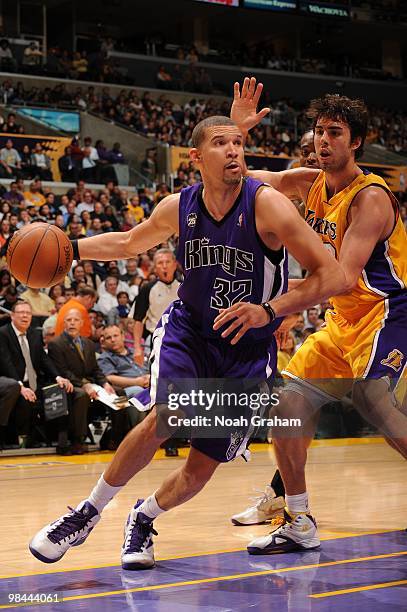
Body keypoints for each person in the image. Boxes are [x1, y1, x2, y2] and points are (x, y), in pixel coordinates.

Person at [29, 115, 345, 570]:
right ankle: (87, 513)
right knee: (168, 411)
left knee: (200, 469)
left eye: (238, 142)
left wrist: (271, 310)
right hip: (190, 332)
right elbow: (126, 243)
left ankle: (143, 516)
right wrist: (70, 249)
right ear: (196, 158)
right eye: (221, 143)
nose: (235, 150)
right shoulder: (179, 206)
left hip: (247, 349)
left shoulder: (268, 205)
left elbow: (331, 274)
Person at [230, 77, 407, 554]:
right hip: (343, 321)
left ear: (357, 143)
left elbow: (343, 278)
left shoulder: (370, 197)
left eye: (335, 133)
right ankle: (297, 517)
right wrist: (237, 130)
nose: (323, 141)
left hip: (390, 312)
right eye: (320, 132)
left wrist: (273, 307)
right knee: (287, 407)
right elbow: (240, 177)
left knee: (374, 400)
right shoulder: (309, 183)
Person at [0, 301, 72, 448]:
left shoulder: (35, 333)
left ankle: (61, 440)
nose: (25, 316)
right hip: (12, 382)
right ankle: (19, 439)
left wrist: (58, 377)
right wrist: (21, 386)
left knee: (63, 389)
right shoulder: (3, 333)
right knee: (25, 398)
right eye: (21, 313)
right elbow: (5, 363)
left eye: (28, 313)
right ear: (12, 315)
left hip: (35, 382)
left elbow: (44, 359)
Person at [48, 308, 116, 453]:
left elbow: (96, 369)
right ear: (64, 323)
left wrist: (105, 383)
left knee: (118, 392)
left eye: (76, 320)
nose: (72, 323)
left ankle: (116, 437)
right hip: (69, 385)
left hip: (91, 384)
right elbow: (63, 371)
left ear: (82, 323)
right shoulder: (56, 343)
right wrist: (85, 385)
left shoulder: (89, 344)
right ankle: (77, 440)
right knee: (81, 394)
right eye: (69, 320)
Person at [132, 248, 180, 366]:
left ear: (175, 265)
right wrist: (137, 347)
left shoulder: (184, 286)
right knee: (160, 378)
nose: (164, 266)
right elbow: (138, 321)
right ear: (154, 268)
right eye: (160, 263)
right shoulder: (147, 288)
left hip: (183, 338)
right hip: (159, 340)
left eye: (167, 262)